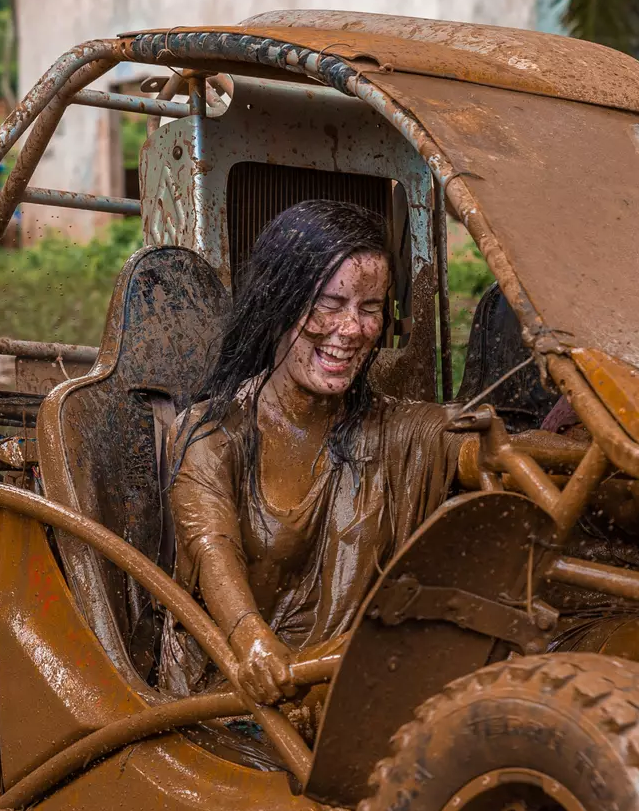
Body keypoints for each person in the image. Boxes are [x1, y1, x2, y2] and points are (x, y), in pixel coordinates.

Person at [168, 200, 460, 706]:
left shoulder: (394, 430)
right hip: (233, 709)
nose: (351, 330)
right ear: (279, 302)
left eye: (369, 310)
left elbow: (473, 442)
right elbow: (211, 547)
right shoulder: (210, 435)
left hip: (345, 700)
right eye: (329, 304)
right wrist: (251, 640)